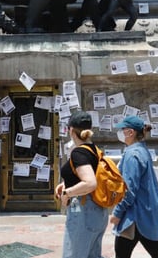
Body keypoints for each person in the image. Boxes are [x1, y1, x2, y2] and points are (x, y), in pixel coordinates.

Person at [109, 116, 158, 258]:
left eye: (122, 129)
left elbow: (129, 188)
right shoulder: (140, 150)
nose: (120, 132)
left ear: (131, 132)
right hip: (143, 211)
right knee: (154, 251)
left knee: (125, 252)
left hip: (136, 214)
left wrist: (117, 212)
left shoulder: (133, 154)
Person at [54, 111, 108, 258]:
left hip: (83, 211)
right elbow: (84, 174)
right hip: (98, 212)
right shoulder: (94, 150)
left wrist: (67, 193)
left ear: (71, 131)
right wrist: (66, 183)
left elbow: (90, 182)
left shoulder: (79, 153)